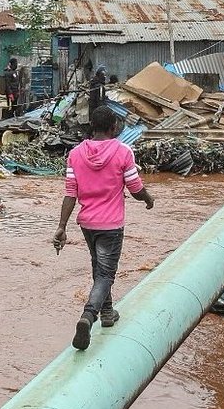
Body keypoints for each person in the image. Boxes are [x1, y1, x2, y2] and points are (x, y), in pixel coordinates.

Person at [53, 104, 155, 351]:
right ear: (114, 128)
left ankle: (107, 313)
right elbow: (135, 187)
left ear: (91, 128)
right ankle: (88, 317)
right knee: (106, 274)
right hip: (111, 225)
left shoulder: (75, 154)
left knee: (99, 268)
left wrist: (61, 227)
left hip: (87, 223)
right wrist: (148, 199)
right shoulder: (123, 152)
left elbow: (70, 194)